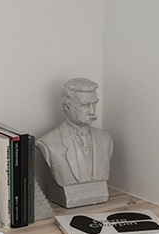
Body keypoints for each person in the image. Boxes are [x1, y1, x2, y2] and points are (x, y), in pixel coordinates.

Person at [38, 78, 112, 206]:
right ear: (67, 108)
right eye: (85, 105)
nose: (92, 111)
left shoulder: (106, 140)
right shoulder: (48, 142)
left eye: (94, 104)